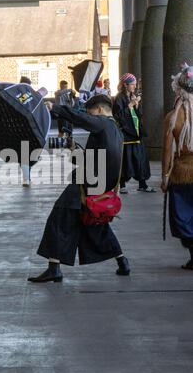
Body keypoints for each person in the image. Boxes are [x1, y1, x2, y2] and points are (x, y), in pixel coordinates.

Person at [28, 94, 130, 283]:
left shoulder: (103, 123)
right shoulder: (116, 130)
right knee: (94, 226)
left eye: (91, 113)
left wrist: (56, 108)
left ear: (99, 111)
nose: (89, 118)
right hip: (100, 186)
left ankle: (54, 269)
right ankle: (122, 261)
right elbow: (91, 159)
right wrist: (73, 148)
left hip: (86, 185)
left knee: (58, 219)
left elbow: (80, 118)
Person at [161, 63, 193, 270]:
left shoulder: (173, 118)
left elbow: (167, 152)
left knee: (184, 217)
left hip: (182, 174)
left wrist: (165, 176)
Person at [113, 73, 156, 194]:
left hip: (136, 132)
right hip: (126, 133)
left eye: (135, 84)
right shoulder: (119, 98)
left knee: (140, 158)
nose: (135, 87)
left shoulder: (133, 95)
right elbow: (118, 116)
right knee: (125, 159)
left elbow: (138, 114)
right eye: (132, 84)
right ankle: (122, 185)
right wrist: (130, 105)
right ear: (125, 85)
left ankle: (143, 184)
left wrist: (136, 105)